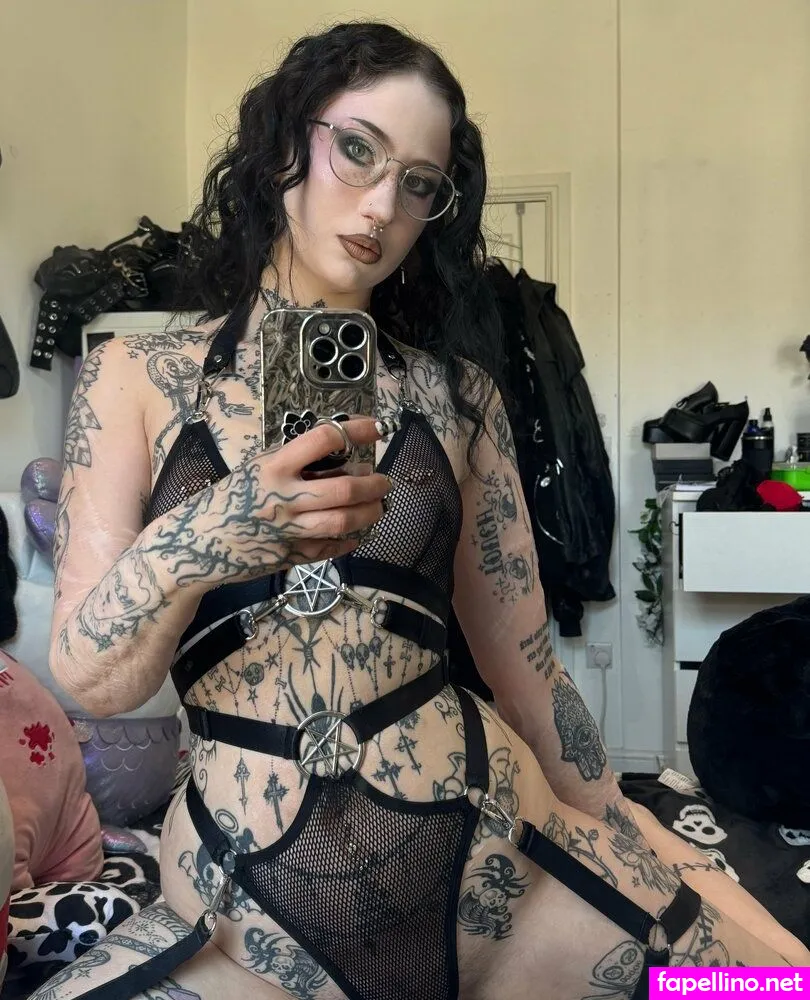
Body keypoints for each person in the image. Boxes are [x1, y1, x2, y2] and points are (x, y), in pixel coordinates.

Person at [33, 21, 808, 1000]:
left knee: (768, 987)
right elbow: (93, 678)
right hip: (253, 925)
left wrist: (636, 831)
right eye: (357, 149)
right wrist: (210, 534)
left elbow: (529, 674)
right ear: (284, 143)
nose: (380, 204)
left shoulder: (459, 397)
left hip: (502, 883)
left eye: (418, 183)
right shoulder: (134, 375)